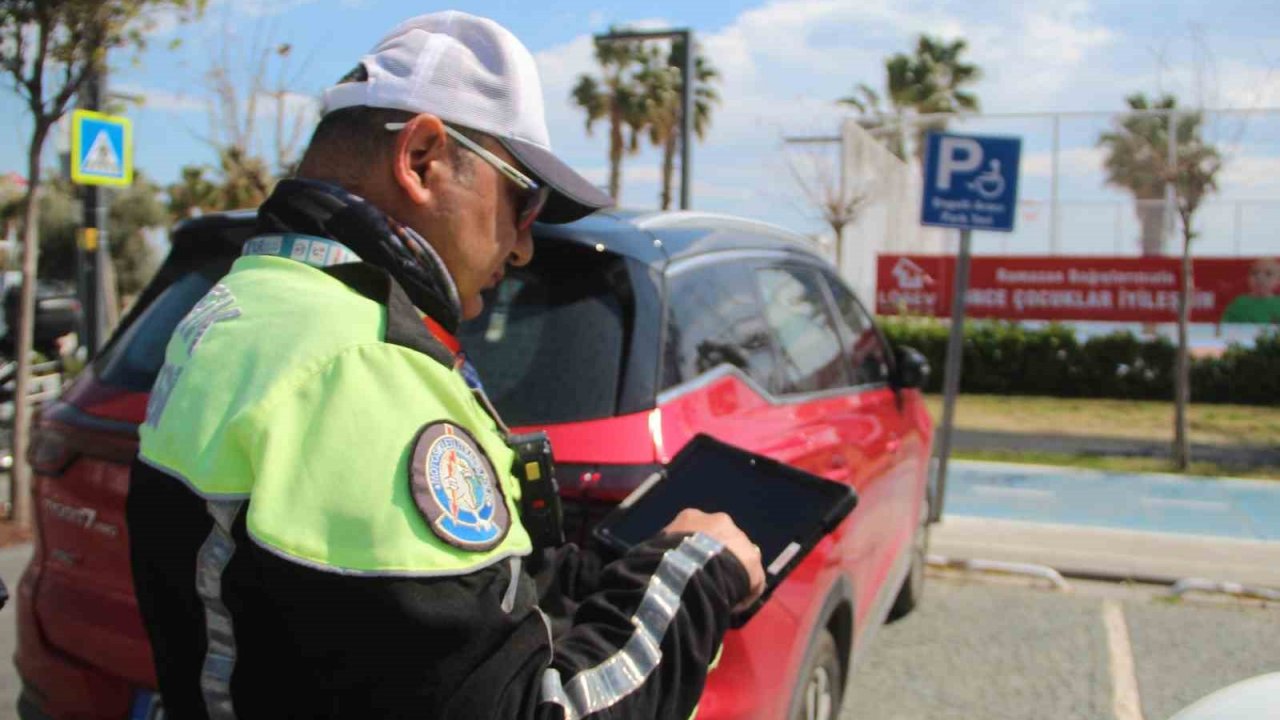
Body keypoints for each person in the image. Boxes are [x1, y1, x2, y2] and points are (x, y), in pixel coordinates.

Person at [125, 11, 764, 719]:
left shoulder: (250, 300)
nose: (523, 247)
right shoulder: (363, 363)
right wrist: (691, 574)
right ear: (423, 157)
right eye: (525, 201)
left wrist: (597, 573)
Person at [1221, 257, 1280, 324]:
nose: (1260, 278)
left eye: (1268, 274)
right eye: (1255, 273)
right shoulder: (1239, 303)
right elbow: (1225, 327)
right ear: (1248, 277)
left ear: (1278, 280)